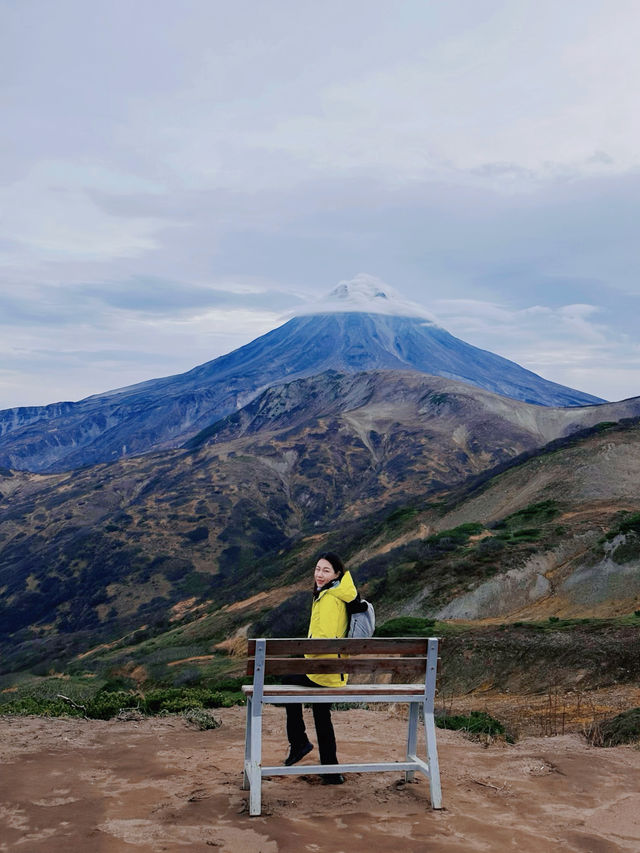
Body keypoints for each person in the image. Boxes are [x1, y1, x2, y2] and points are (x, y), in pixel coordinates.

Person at [283, 551, 357, 785]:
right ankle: (331, 769)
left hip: (324, 671)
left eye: (325, 570)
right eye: (317, 569)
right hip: (334, 672)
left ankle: (298, 742)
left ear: (337, 574)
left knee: (287, 679)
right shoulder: (340, 593)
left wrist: (306, 654)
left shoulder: (329, 598)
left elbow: (321, 641)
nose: (319, 574)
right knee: (321, 713)